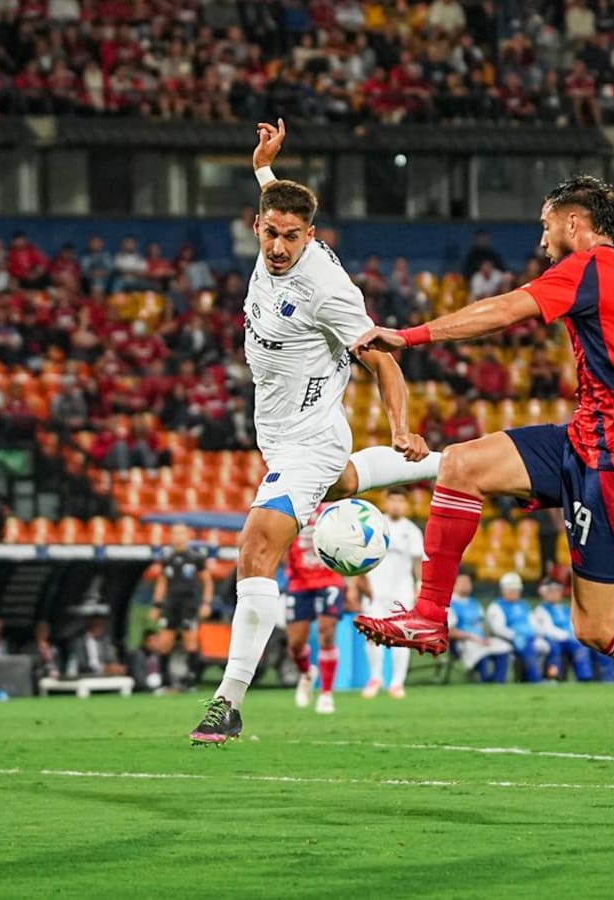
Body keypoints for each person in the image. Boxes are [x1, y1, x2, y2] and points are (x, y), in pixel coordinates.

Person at [350, 174, 614, 768]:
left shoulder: (591, 267)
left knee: (596, 627)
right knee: (461, 464)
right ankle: (429, 617)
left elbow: (505, 310)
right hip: (582, 441)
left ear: (574, 224)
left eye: (546, 225)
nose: (542, 239)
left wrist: (409, 336)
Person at [191, 120, 440, 744]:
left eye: (293, 238)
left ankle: (229, 701)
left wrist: (401, 423)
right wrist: (263, 168)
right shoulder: (274, 230)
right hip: (278, 433)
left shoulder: (325, 287)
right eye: (271, 234)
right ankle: (446, 464)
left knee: (254, 550)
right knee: (346, 481)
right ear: (257, 227)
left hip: (310, 438)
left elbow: (382, 357)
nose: (279, 247)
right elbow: (276, 197)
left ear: (312, 238)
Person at [280, 503, 350, 714]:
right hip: (299, 581)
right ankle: (307, 673)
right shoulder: (294, 504)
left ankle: (326, 694)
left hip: (329, 577)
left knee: (327, 633)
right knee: (295, 644)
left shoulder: (336, 508)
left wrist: (355, 583)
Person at [362, 487, 425, 699]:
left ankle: (397, 683)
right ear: (385, 502)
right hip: (375, 590)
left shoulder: (413, 531)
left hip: (402, 591)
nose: (396, 504)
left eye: (400, 501)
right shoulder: (375, 525)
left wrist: (419, 586)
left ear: (406, 504)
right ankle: (375, 678)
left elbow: (418, 562)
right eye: (393, 500)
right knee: (372, 634)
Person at [150, 524, 214, 690]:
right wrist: (157, 605)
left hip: (189, 604)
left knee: (190, 642)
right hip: (171, 604)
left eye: (181, 533)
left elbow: (207, 581)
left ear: (187, 536)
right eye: (175, 533)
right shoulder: (167, 558)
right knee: (164, 642)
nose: (177, 537)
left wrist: (206, 603)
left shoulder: (196, 558)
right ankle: (164, 682)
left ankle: (191, 680)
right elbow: (162, 582)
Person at [448, 572, 512, 683]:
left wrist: (486, 637)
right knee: (479, 651)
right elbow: (449, 631)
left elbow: (482, 624)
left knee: (504, 647)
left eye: (468, 582)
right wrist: (473, 638)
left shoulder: (474, 603)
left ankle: (498, 681)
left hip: (480, 639)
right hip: (462, 642)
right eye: (462, 582)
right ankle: (485, 680)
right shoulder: (450, 604)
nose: (466, 585)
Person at [487, 573, 551, 683]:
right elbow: (498, 628)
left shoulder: (523, 605)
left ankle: (551, 677)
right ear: (503, 590)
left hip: (529, 638)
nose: (514, 593)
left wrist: (535, 634)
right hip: (510, 640)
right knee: (529, 649)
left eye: (516, 590)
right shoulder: (496, 606)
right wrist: (515, 636)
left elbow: (533, 623)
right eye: (510, 590)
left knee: (550, 646)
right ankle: (536, 680)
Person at [530, 577, 593, 681]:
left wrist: (574, 635)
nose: (555, 594)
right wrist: (567, 636)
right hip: (552, 640)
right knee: (555, 648)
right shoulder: (540, 611)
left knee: (580, 647)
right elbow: (547, 629)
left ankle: (584, 677)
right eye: (552, 591)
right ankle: (553, 676)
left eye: (558, 591)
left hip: (568, 639)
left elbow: (573, 624)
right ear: (544, 593)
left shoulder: (565, 609)